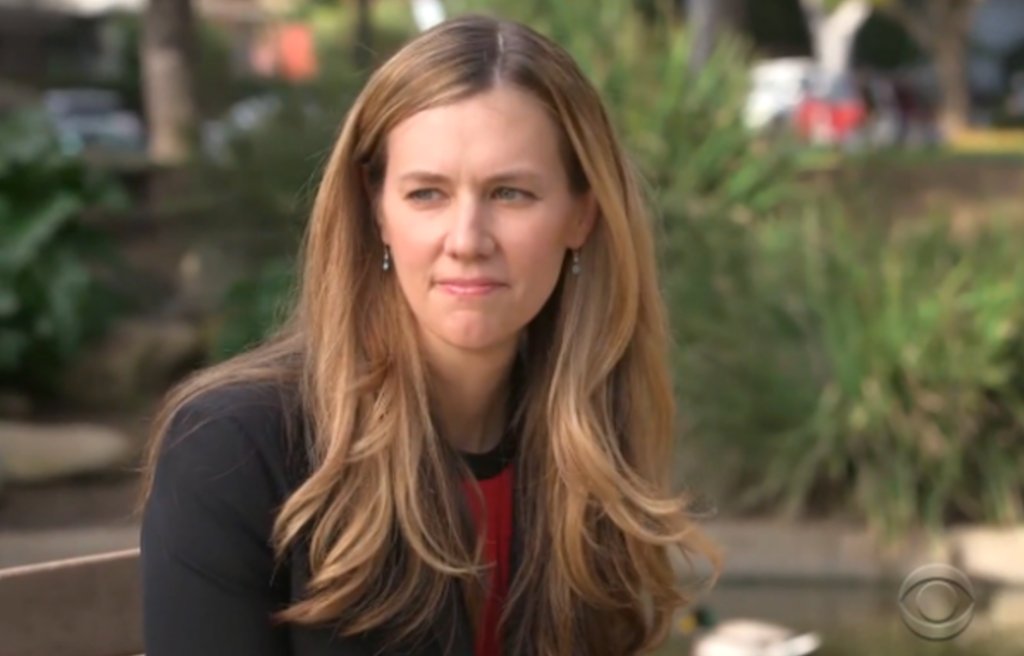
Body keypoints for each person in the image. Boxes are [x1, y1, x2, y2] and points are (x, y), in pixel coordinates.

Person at [139, 14, 720, 656]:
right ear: (376, 211)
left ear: (581, 215)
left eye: (510, 193)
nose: (467, 240)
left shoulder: (585, 444)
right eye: (426, 194)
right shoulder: (233, 448)